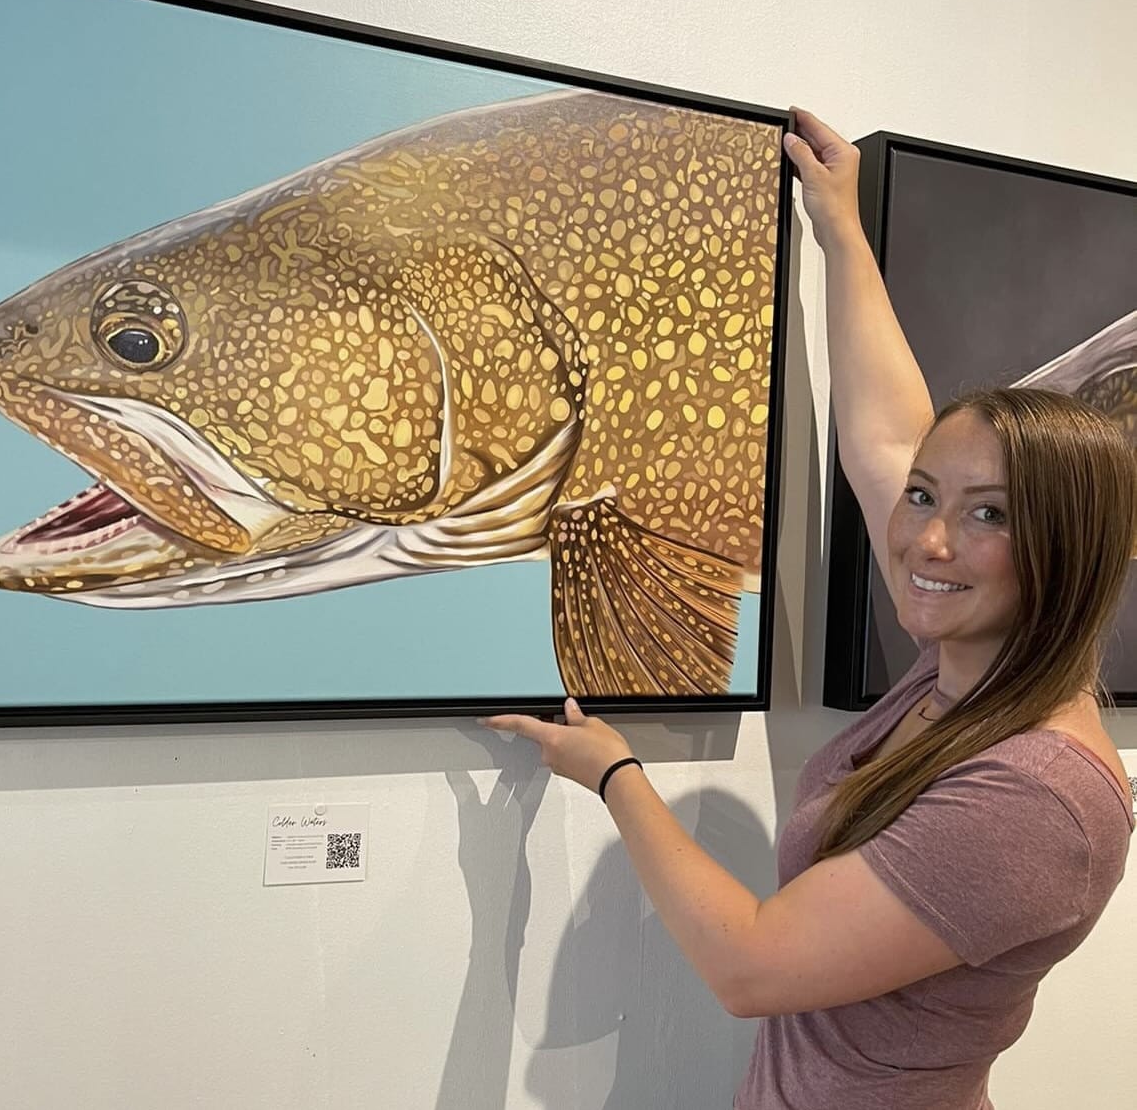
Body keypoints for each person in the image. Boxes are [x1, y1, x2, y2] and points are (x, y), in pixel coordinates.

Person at [480, 108, 1136, 1109]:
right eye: (928, 497)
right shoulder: (966, 669)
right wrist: (840, 227)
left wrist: (614, 773)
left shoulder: (1037, 795)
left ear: (1071, 547)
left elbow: (751, 966)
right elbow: (883, 440)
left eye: (988, 514)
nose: (927, 541)